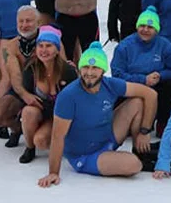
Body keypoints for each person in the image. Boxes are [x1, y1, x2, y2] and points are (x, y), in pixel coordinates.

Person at [38, 42, 157, 187]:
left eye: (95, 68)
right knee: (134, 165)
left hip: (107, 137)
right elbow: (57, 137)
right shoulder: (68, 96)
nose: (89, 73)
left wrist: (144, 131)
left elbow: (150, 94)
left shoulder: (109, 84)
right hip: (85, 155)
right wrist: (53, 172)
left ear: (103, 71)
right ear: (80, 69)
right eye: (86, 67)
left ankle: (139, 150)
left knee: (137, 102)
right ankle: (124, 159)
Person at [111, 6, 171, 136]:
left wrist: (160, 75)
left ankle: (162, 122)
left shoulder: (165, 46)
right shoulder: (124, 46)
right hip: (131, 86)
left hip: (156, 85)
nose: (145, 30)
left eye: (150, 27)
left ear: (157, 30)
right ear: (137, 27)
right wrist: (142, 80)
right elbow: (117, 74)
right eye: (142, 26)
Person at [17, 27, 79, 164]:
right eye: (41, 46)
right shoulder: (31, 69)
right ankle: (29, 148)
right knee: (28, 111)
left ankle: (65, 140)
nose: (44, 50)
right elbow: (24, 94)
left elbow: (75, 101)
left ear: (57, 49)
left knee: (41, 141)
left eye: (49, 46)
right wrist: (27, 96)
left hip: (60, 115)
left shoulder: (67, 71)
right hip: (40, 111)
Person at [0, 6, 44, 144]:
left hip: (47, 89)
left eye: (29, 21)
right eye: (21, 21)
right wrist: (25, 96)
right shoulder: (11, 46)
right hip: (23, 88)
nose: (24, 25)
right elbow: (14, 77)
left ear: (38, 23)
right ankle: (17, 129)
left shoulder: (50, 41)